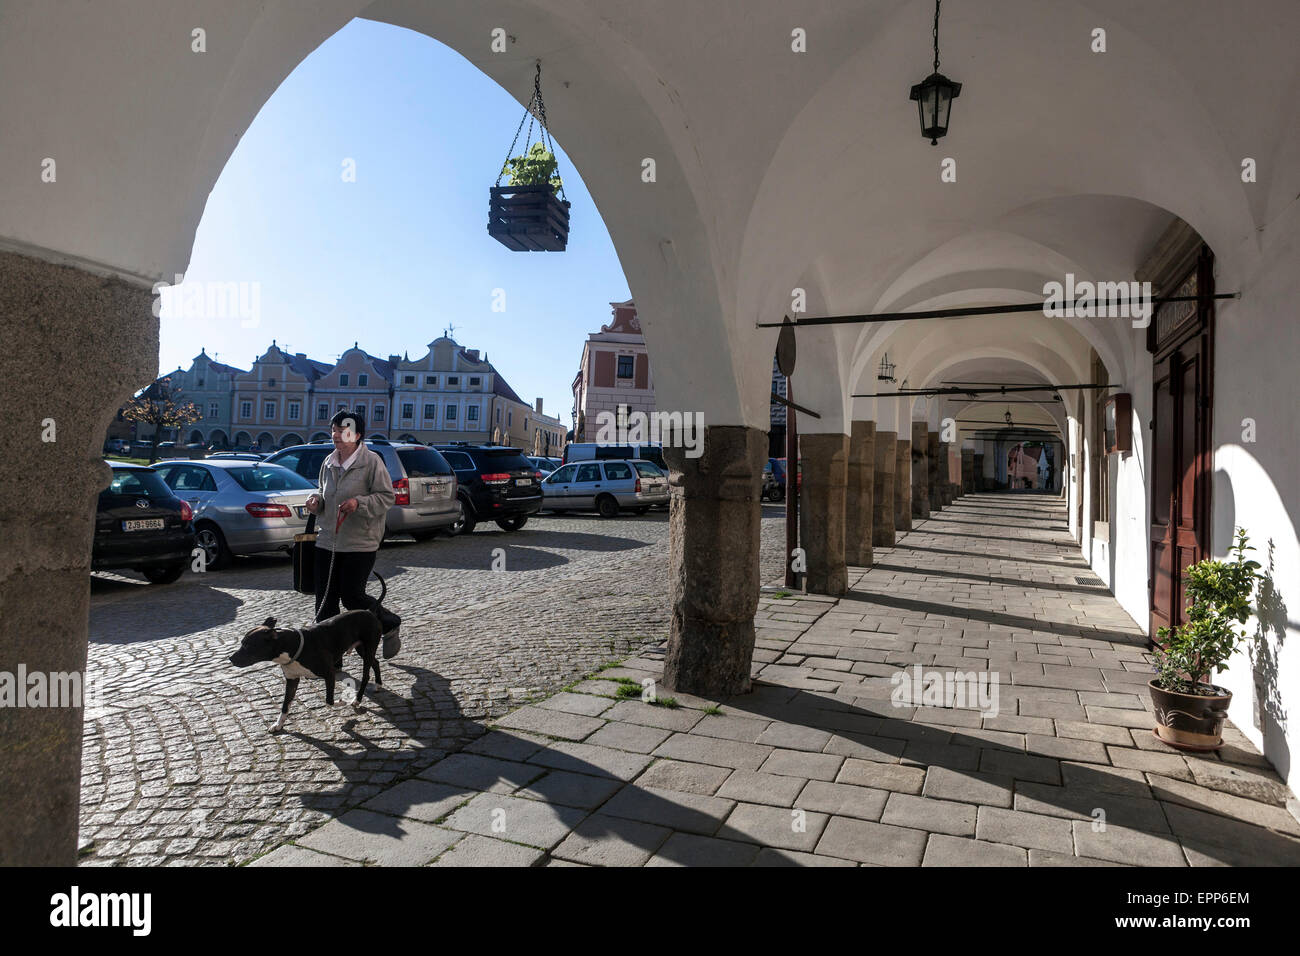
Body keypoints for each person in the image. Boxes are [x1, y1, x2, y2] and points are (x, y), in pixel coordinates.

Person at [304, 409, 401, 659]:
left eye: (343, 431)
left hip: (360, 542)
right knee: (325, 601)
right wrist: (316, 501)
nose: (336, 435)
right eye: (334, 430)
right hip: (327, 540)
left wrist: (359, 503)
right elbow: (323, 494)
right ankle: (330, 659)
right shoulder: (328, 462)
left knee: (352, 597)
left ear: (357, 436)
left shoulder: (372, 462)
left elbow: (387, 497)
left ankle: (389, 623)